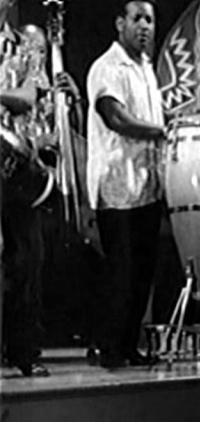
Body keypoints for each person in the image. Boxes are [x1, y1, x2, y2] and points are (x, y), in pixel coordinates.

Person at [0, 1, 79, 377]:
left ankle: (23, 351)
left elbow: (28, 97)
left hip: (15, 165)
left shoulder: (27, 48)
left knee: (27, 259)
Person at [86, 0, 165, 368]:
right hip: (117, 186)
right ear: (120, 23)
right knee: (121, 271)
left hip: (147, 185)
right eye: (137, 19)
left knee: (142, 272)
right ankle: (109, 347)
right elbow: (115, 117)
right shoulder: (107, 67)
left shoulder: (147, 69)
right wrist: (161, 131)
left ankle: (129, 346)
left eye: (149, 19)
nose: (144, 26)